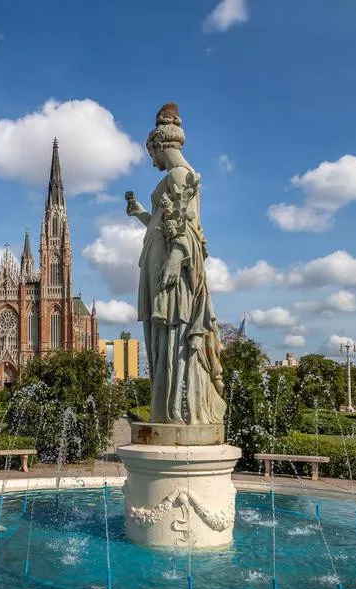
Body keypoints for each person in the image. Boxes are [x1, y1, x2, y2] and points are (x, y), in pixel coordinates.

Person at [125, 103, 226, 425]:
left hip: (172, 269)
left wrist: (174, 258)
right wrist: (141, 212)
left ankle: (178, 408)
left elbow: (189, 227)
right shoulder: (174, 177)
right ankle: (169, 405)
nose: (150, 160)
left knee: (175, 337)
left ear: (158, 145)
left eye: (150, 153)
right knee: (164, 338)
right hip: (161, 265)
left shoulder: (181, 175)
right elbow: (163, 221)